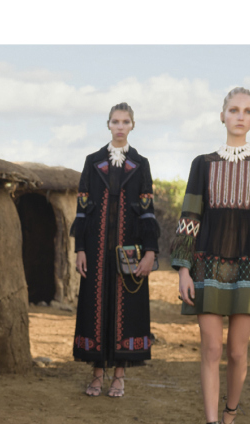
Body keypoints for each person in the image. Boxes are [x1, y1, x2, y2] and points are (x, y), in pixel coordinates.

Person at [169, 87, 250, 424]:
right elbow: (190, 217)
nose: (240, 116)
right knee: (211, 350)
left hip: (249, 263)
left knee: (237, 352)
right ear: (222, 115)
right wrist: (183, 268)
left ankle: (231, 415)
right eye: (233, 110)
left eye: (247, 111)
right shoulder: (202, 163)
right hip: (206, 262)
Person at [71, 103, 160, 397]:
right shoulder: (92, 161)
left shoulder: (141, 164)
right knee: (94, 307)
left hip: (130, 251)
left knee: (127, 308)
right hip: (95, 252)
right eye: (115, 121)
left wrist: (150, 252)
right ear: (107, 125)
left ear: (133, 125)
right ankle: (97, 374)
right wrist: (80, 248)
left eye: (125, 122)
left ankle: (119, 376)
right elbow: (82, 209)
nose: (120, 126)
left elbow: (147, 212)